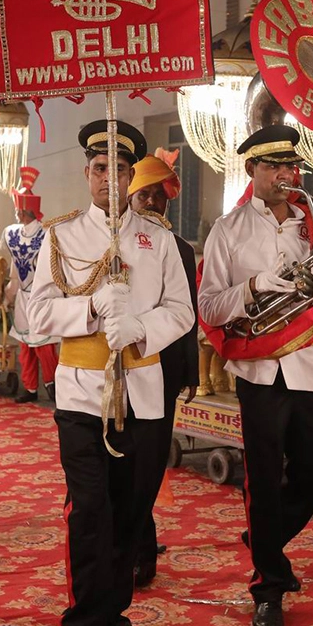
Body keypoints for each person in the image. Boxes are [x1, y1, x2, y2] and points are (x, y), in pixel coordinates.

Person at [27, 121, 193, 626]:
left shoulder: (159, 237)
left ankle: (113, 614)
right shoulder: (62, 235)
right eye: (101, 169)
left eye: (121, 169)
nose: (110, 178)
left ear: (131, 176)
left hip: (142, 390)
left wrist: (142, 327)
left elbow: (182, 312)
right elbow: (37, 315)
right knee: (89, 509)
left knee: (129, 509)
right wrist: (91, 309)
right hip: (81, 394)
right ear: (87, 173)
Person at [197, 124, 313, 626]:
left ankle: (264, 540)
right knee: (265, 478)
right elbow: (208, 306)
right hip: (258, 369)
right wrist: (255, 286)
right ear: (253, 171)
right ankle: (268, 587)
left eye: (292, 167)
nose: (287, 176)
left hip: (308, 364)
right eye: (275, 168)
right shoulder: (228, 230)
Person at [126, 148, 199, 587]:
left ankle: (143, 547)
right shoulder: (112, 243)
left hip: (164, 368)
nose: (153, 203)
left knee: (149, 461)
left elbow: (186, 315)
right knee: (122, 460)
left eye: (160, 197)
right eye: (144, 195)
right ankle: (133, 543)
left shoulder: (181, 248)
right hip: (114, 369)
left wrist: (189, 372)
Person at [2, 167, 60, 404]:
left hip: (44, 295)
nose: (16, 213)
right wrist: (10, 294)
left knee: (44, 345)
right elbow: (15, 268)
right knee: (26, 344)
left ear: (25, 211)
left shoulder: (48, 234)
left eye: (19, 209)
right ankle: (30, 388)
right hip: (24, 297)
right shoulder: (13, 234)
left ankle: (54, 386)